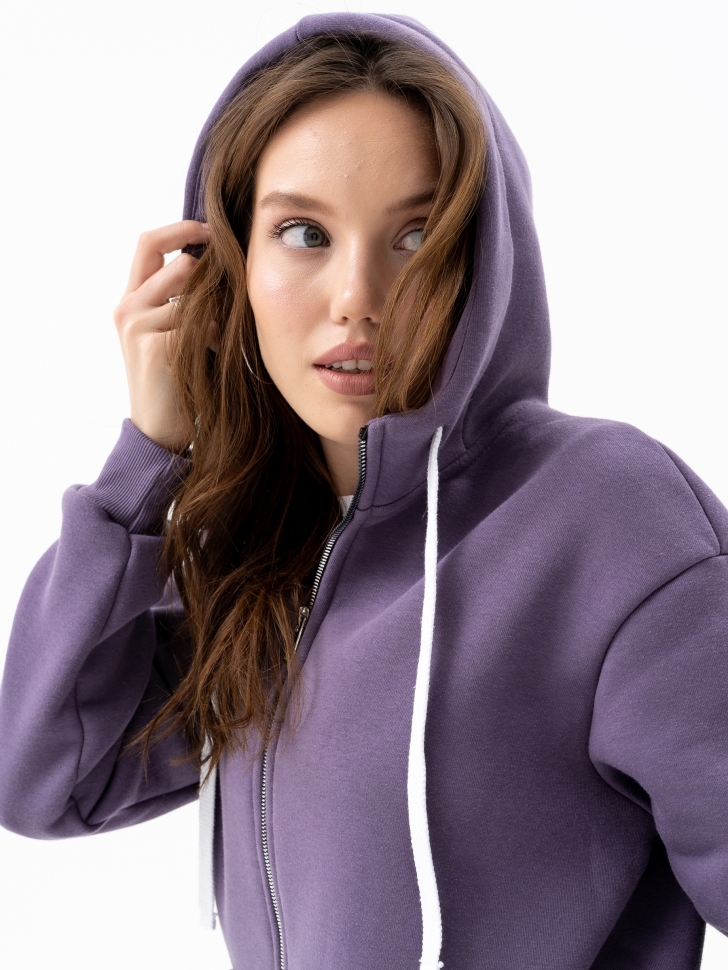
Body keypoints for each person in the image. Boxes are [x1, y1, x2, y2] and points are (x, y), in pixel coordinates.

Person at [1, 11, 727, 969]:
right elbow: (44, 778)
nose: (357, 298)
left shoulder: (610, 519)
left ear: (482, 263)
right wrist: (147, 461)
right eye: (303, 233)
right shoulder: (264, 560)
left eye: (416, 236)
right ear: (225, 270)